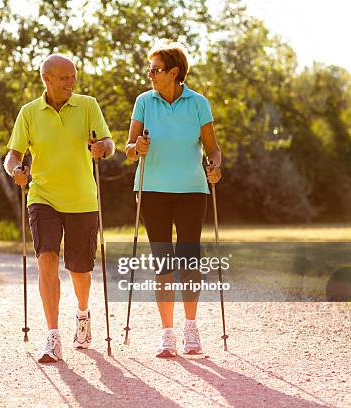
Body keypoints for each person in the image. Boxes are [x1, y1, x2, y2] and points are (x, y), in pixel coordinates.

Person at [4, 54, 115, 363]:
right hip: (43, 196)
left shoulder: (88, 105)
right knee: (46, 259)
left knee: (80, 271)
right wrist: (15, 171)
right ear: (47, 79)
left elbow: (109, 142)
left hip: (82, 199)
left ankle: (82, 314)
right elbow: (12, 155)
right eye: (65, 77)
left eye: (74, 76)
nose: (72, 82)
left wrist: (102, 148)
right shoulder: (29, 113)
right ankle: (52, 336)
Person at [125, 41, 222, 357]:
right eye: (149, 69)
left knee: (190, 259)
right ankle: (167, 334)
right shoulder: (144, 102)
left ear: (174, 72)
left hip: (193, 190)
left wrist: (216, 166)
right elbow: (128, 149)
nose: (149, 74)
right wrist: (136, 149)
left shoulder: (198, 103)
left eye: (155, 69)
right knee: (163, 261)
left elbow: (213, 148)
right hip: (152, 189)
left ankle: (190, 328)